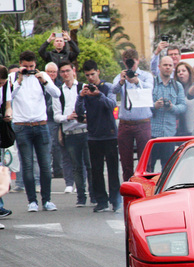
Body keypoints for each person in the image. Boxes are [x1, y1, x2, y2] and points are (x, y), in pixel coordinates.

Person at [10, 50, 61, 212]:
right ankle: (32, 201)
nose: (29, 69)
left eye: (31, 66)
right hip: (22, 125)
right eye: (25, 67)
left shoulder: (42, 76)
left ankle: (47, 200)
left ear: (35, 65)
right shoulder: (13, 78)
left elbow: (57, 93)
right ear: (20, 65)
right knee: (27, 165)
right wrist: (19, 79)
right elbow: (8, 96)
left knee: (46, 165)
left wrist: (44, 81)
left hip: (41, 124)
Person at [76, 60, 120, 213]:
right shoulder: (85, 90)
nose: (90, 78)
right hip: (93, 135)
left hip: (109, 134)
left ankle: (115, 200)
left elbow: (111, 105)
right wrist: (81, 97)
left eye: (92, 74)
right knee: (96, 171)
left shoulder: (107, 87)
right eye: (87, 75)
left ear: (98, 72)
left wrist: (99, 94)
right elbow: (79, 112)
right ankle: (101, 201)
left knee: (113, 170)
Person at [52, 61, 92, 207]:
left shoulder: (82, 87)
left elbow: (91, 107)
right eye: (62, 71)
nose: (65, 74)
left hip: (85, 130)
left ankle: (94, 195)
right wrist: (68, 117)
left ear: (73, 71)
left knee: (90, 165)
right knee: (77, 167)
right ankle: (81, 197)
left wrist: (83, 115)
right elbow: (56, 115)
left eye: (67, 71)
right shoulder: (58, 91)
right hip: (70, 132)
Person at [112, 49, 153, 181]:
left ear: (138, 61)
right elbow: (113, 90)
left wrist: (136, 81)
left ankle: (146, 191)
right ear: (123, 62)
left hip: (143, 122)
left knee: (146, 162)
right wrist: (122, 81)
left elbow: (150, 89)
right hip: (125, 124)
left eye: (133, 63)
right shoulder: (121, 76)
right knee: (126, 162)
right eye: (127, 62)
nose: (130, 66)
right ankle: (129, 191)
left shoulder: (146, 76)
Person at [150, 56, 186, 168]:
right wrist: (155, 106)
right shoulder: (151, 84)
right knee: (149, 167)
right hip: (152, 134)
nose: (168, 67)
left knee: (167, 169)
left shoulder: (177, 86)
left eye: (170, 65)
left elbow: (183, 107)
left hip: (169, 134)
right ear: (159, 67)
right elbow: (143, 106)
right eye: (165, 65)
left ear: (173, 68)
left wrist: (171, 107)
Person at [44, 62, 72, 192]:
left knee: (57, 146)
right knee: (48, 146)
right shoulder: (41, 83)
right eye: (50, 72)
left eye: (54, 72)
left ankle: (58, 170)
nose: (52, 74)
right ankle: (50, 171)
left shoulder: (60, 86)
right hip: (45, 119)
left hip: (58, 120)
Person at [0, 66, 12, 221]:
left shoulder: (5, 87)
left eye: (3, 83)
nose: (1, 86)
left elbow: (8, 104)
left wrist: (9, 113)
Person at [175, 61, 194, 136]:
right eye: (178, 71)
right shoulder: (176, 89)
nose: (181, 73)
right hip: (181, 130)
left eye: (183, 71)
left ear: (189, 72)